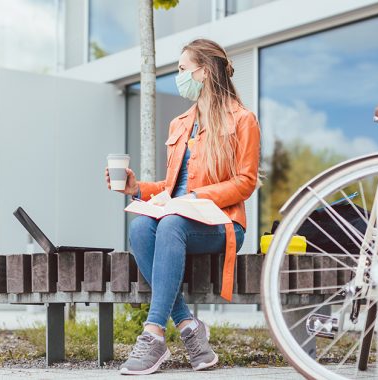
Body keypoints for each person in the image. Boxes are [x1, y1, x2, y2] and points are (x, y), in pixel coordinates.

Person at [105, 39, 260, 375]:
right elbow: (172, 187)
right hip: (181, 217)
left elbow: (246, 182)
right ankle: (189, 329)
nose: (178, 76)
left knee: (172, 222)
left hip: (223, 223)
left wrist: (198, 199)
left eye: (182, 69)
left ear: (203, 72)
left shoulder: (243, 119)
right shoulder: (180, 123)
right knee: (140, 226)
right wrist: (138, 188)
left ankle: (153, 333)